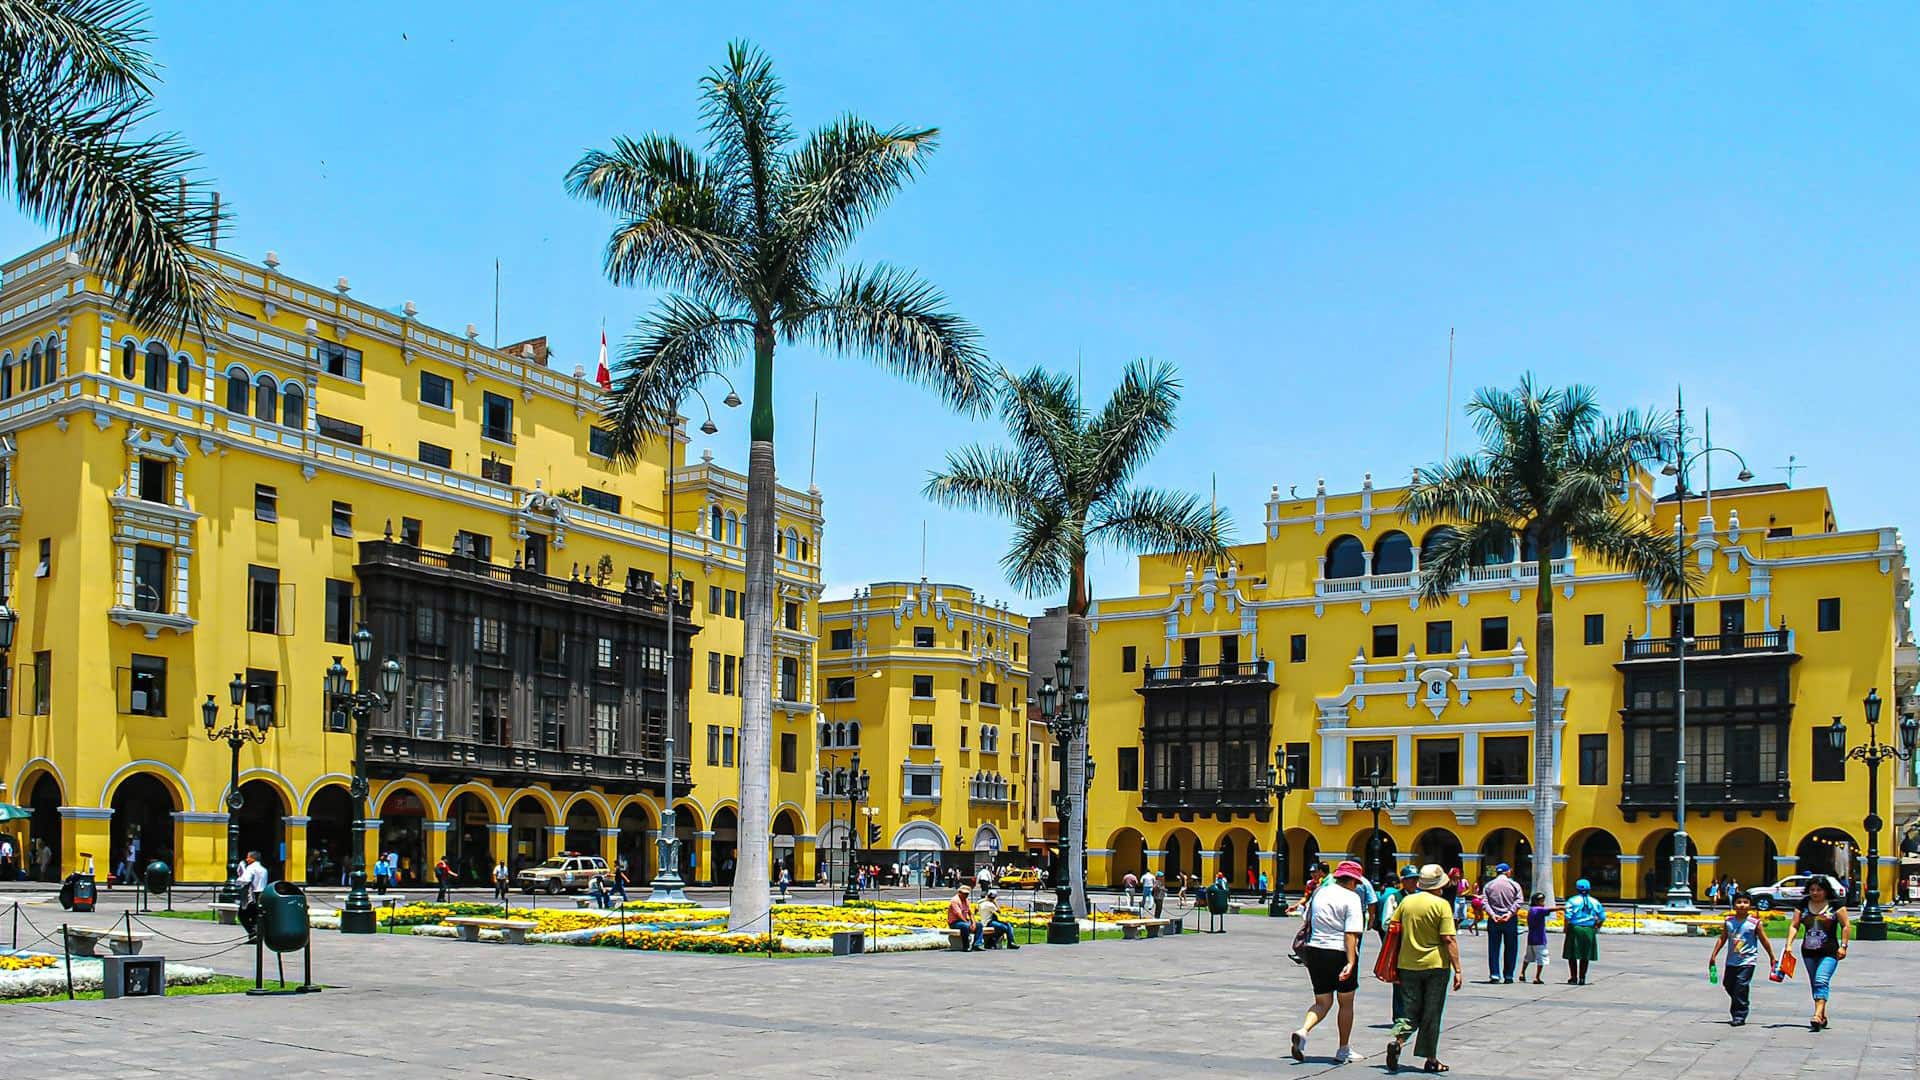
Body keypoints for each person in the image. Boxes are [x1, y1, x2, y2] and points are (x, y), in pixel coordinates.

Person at [1384, 864, 1462, 1075]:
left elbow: (1393, 926)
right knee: (1431, 1012)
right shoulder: (1442, 905)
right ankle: (1431, 1059)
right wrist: (1458, 969)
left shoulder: (1407, 901)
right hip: (1435, 966)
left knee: (1409, 1010)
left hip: (1407, 964)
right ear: (1440, 884)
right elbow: (1448, 938)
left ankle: (1398, 1042)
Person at [1289, 860, 1368, 1065]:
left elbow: (1307, 919)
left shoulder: (1320, 893)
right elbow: (1351, 934)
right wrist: (1351, 962)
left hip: (1315, 950)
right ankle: (1343, 1049)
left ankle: (1303, 1030)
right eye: (1356, 882)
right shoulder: (1351, 898)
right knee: (1346, 1002)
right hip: (1339, 952)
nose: (1357, 886)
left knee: (1322, 1001)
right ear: (1351, 880)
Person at [1781, 875, 1850, 1031]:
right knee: (1815, 983)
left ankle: (1817, 1016)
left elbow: (1846, 926)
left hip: (1830, 951)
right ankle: (1822, 1016)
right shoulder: (1803, 904)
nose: (1815, 893)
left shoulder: (1835, 905)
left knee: (1821, 980)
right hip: (1808, 951)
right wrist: (1789, 944)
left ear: (1825, 891)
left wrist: (1844, 946)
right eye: (1812, 890)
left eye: (1819, 890)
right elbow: (1794, 925)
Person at [1708, 890, 1775, 1027]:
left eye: (1745, 902)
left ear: (1750, 905)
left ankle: (1739, 1014)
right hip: (1732, 960)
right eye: (1739, 902)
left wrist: (1772, 957)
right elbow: (1723, 938)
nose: (1742, 905)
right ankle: (1741, 1001)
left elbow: (1764, 940)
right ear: (1734, 905)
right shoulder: (1729, 922)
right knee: (1728, 984)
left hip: (1748, 961)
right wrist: (1714, 955)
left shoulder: (1754, 923)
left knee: (1741, 986)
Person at [1382, 865, 1419, 1019]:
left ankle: (1413, 1013)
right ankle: (1399, 1015)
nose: (1414, 882)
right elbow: (1386, 922)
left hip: (1417, 944)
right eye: (1411, 879)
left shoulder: (1420, 898)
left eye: (1416, 879)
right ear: (1403, 881)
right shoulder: (1394, 898)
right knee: (1399, 981)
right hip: (1399, 945)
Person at [1481, 862, 1523, 984]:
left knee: (1493, 948)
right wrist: (1509, 913)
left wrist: (1492, 915)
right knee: (1511, 947)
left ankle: (1494, 974)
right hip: (1509, 919)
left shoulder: (1489, 885)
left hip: (1494, 920)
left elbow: (1484, 902)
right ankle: (1508, 975)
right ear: (1507, 871)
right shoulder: (1514, 885)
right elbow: (1519, 901)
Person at [1562, 878, 1607, 985]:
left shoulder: (1572, 901)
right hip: (1589, 929)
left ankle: (1573, 977)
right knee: (1585, 955)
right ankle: (1582, 978)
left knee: (1572, 954)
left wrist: (1565, 928)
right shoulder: (1595, 902)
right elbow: (1602, 917)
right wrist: (1597, 927)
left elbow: (1567, 916)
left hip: (1575, 928)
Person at [233, 850, 269, 943]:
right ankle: (256, 934)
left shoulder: (251, 868)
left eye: (248, 857)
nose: (247, 859)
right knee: (255, 915)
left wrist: (238, 880)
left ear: (253, 858)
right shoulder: (264, 869)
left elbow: (245, 880)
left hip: (252, 895)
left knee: (242, 915)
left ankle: (252, 933)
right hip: (261, 894)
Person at [1523, 892, 1556, 984]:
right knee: (1541, 959)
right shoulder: (1538, 909)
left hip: (1531, 939)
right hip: (1540, 939)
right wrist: (1563, 908)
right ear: (1536, 902)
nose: (1543, 903)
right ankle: (1537, 977)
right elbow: (1551, 909)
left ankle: (1522, 973)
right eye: (1542, 901)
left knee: (1528, 957)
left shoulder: (1531, 910)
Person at [947, 884, 981, 952]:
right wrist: (967, 923)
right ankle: (966, 946)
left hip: (964, 920)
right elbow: (958, 914)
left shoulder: (966, 900)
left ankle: (977, 944)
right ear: (959, 893)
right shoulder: (955, 900)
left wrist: (973, 923)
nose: (966, 895)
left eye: (967, 894)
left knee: (979, 925)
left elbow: (970, 913)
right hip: (955, 922)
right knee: (965, 926)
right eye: (964, 894)